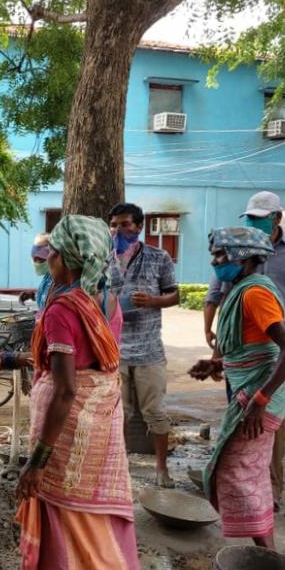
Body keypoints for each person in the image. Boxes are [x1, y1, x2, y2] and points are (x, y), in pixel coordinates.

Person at [14, 214, 155, 570]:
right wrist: (16, 359)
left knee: (66, 533)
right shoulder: (100, 301)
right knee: (111, 531)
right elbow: (89, 368)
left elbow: (67, 389)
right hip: (103, 437)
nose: (47, 258)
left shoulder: (60, 307)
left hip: (68, 439)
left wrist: (37, 461)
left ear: (69, 258)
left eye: (53, 251)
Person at [204, 191, 285, 507]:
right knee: (242, 421)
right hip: (243, 354)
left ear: (276, 218)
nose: (255, 222)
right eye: (251, 217)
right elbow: (217, 297)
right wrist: (218, 350)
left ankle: (268, 488)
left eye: (260, 217)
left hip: (279, 351)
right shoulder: (234, 249)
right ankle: (246, 486)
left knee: (265, 419)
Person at [189, 227, 285, 547]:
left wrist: (260, 399)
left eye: (221, 254)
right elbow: (253, 346)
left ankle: (267, 558)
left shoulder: (254, 293)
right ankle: (267, 554)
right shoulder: (238, 290)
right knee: (248, 471)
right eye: (213, 254)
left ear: (243, 257)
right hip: (253, 389)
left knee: (236, 471)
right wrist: (217, 364)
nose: (215, 261)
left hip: (262, 395)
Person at [108, 202, 179, 487]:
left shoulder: (159, 257)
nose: (119, 230)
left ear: (139, 226)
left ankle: (161, 469)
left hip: (149, 350)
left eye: (125, 224)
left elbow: (174, 295)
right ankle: (119, 467)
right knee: (117, 414)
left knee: (155, 413)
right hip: (114, 350)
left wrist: (153, 301)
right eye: (114, 225)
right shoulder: (103, 258)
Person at [18, 232, 54, 313]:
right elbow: (45, 297)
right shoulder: (48, 277)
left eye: (40, 257)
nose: (36, 262)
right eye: (34, 257)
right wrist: (32, 295)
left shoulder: (59, 279)